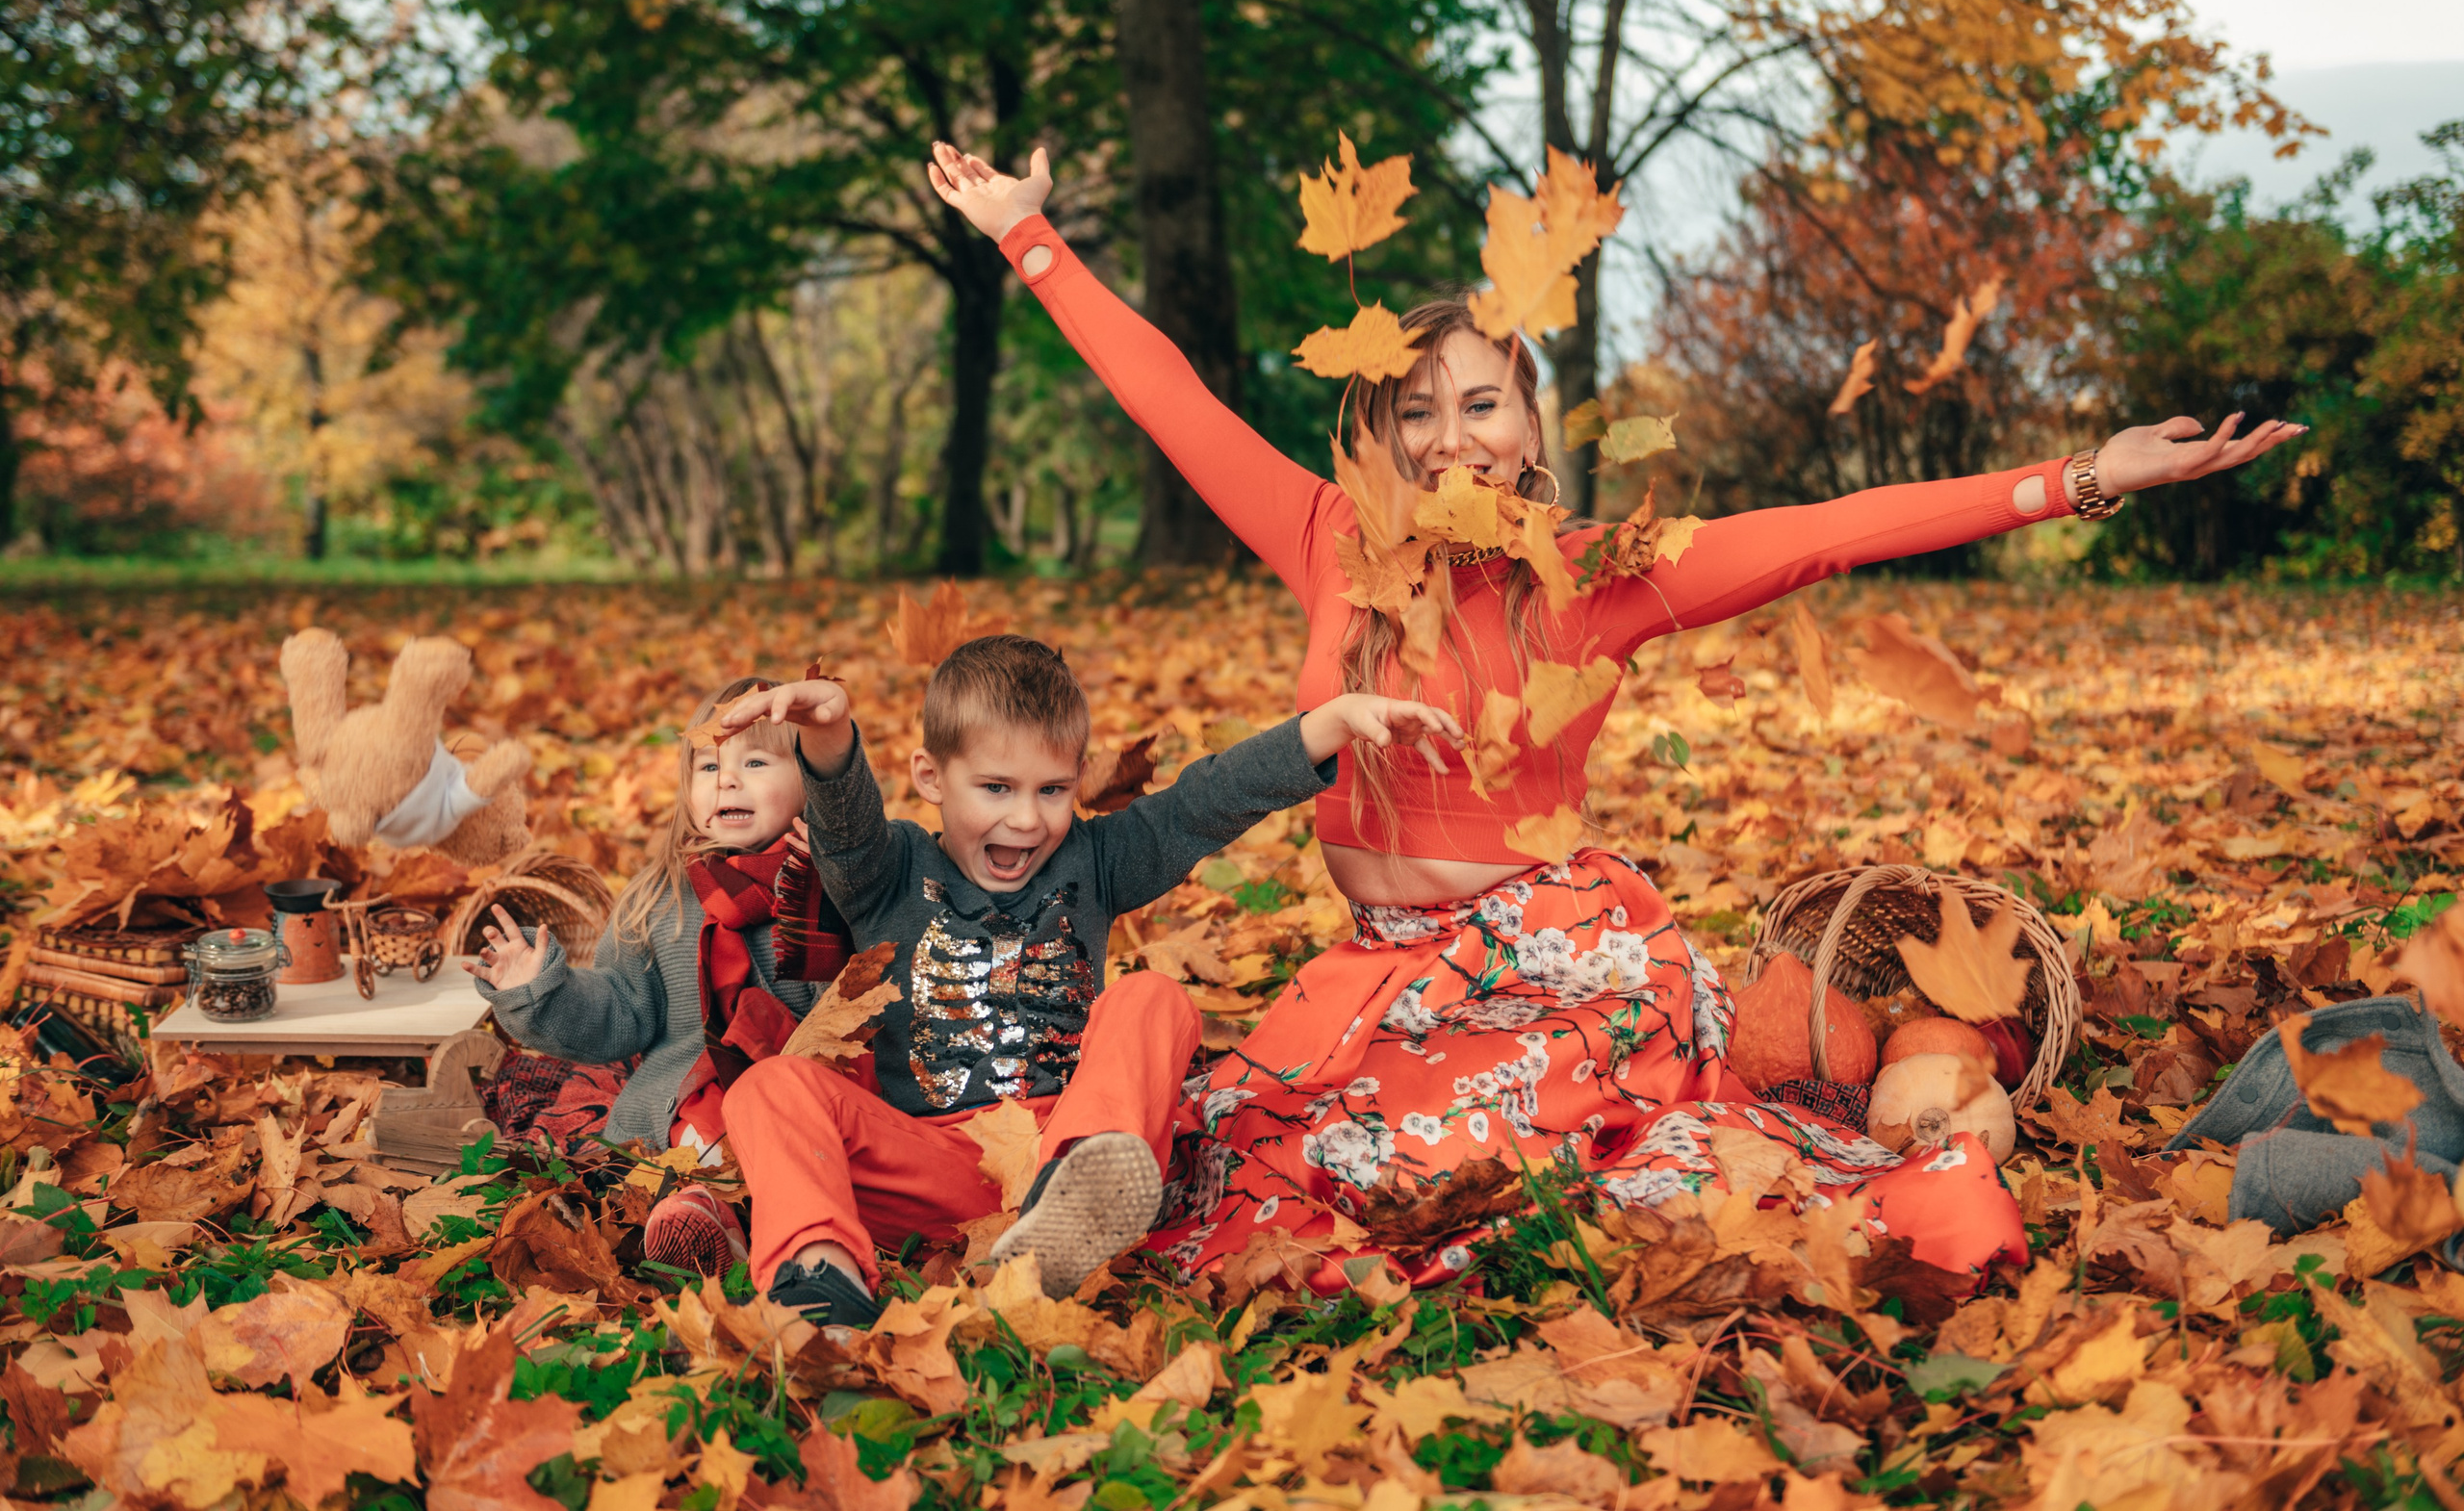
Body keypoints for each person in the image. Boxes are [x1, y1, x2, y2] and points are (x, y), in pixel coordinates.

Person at [924, 139, 2305, 1290]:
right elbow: (1170, 398)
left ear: (1530, 424)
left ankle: (1922, 1185)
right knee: (1244, 1142)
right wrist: (1028, 236)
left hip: (1556, 964)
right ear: (1381, 428)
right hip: (1381, 965)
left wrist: (2081, 476)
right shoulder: (1328, 536)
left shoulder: (1594, 576)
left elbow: (1824, 531)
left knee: (1415, 1173)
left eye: (1483, 403)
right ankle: (1091, 1198)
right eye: (1418, 411)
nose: (1453, 436)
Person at [709, 634, 1463, 1326]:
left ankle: (1078, 1192)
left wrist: (1327, 723)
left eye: (1053, 791)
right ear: (931, 777)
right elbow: (845, 826)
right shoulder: (889, 871)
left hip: (1068, 1142)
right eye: (996, 788)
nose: (1028, 821)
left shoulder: (1094, 862)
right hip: (928, 1165)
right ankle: (820, 1283)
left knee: (1152, 995)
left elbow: (1202, 804)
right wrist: (830, 735)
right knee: (771, 1088)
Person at [468, 677, 853, 1277]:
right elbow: (619, 1012)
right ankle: (705, 1208)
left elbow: (855, 1008)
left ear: (812, 777)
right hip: (686, 1106)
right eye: (708, 766)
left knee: (785, 1122)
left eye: (755, 761)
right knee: (701, 1135)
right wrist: (536, 989)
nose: (727, 780)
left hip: (804, 1093)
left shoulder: (835, 886)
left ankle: (750, 1214)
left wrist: (819, 892)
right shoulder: (660, 896)